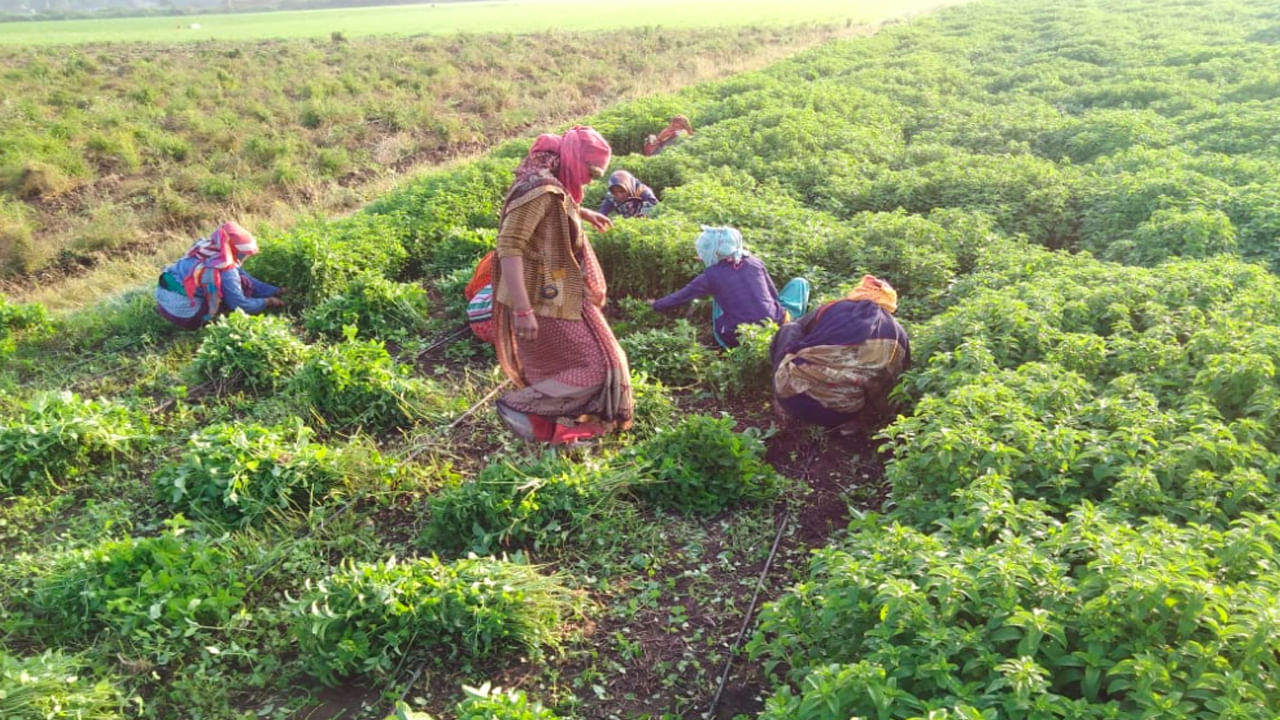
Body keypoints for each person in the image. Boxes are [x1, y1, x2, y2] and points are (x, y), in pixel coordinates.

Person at [491, 125, 634, 445]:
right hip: (541, 294)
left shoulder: (547, 174)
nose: (589, 180)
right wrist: (523, 309)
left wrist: (581, 212)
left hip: (553, 286)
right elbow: (509, 246)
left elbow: (555, 204)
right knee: (601, 366)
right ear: (572, 157)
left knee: (576, 360)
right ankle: (519, 409)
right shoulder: (542, 189)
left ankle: (559, 427)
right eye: (590, 172)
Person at [770, 275, 910, 433]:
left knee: (788, 329)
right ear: (889, 303)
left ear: (859, 292)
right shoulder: (898, 335)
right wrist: (881, 414)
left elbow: (796, 332)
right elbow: (891, 383)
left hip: (791, 399)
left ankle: (778, 393)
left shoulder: (832, 308)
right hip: (841, 413)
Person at [651, 226, 809, 349]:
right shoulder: (754, 262)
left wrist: (655, 305)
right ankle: (789, 326)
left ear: (712, 253)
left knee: (718, 303)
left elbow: (680, 297)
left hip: (740, 334)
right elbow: (773, 295)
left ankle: (727, 345)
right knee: (799, 283)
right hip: (776, 323)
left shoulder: (710, 276)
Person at [154, 221, 284, 330]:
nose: (246, 257)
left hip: (162, 303)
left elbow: (241, 272)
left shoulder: (206, 248)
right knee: (243, 286)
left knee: (240, 279)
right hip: (185, 316)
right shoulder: (224, 269)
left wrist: (275, 291)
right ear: (236, 251)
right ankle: (209, 318)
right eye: (245, 254)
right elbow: (240, 306)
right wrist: (268, 302)